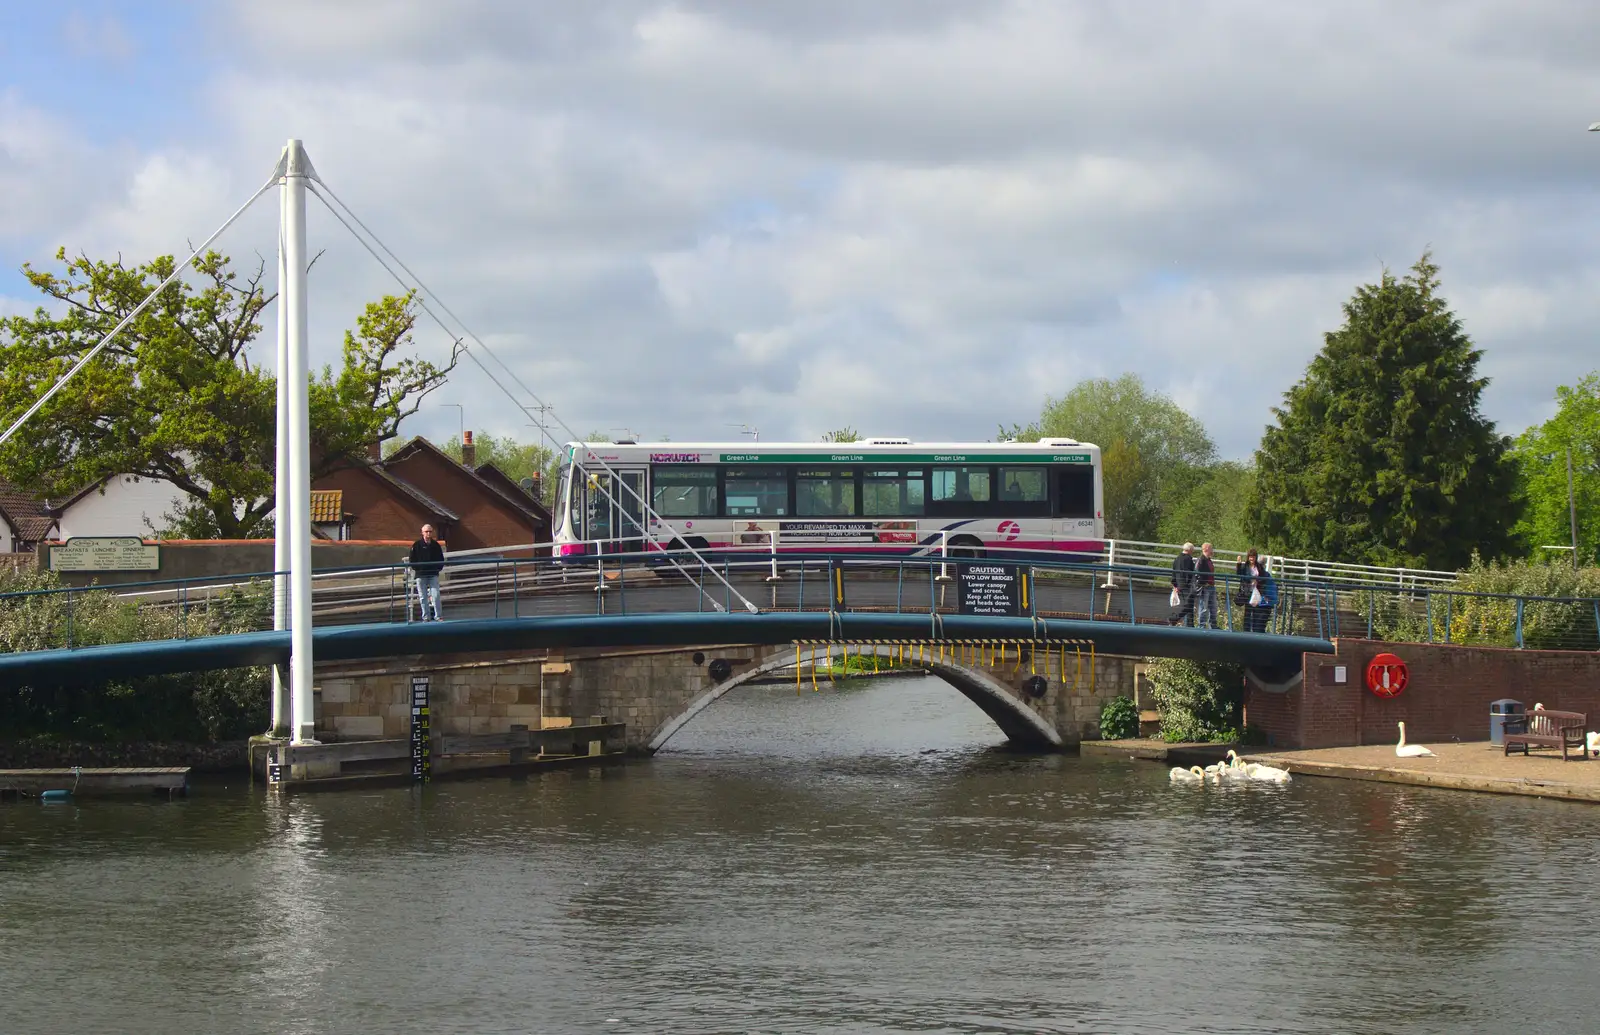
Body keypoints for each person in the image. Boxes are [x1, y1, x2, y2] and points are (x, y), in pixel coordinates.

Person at [409, 524, 446, 621]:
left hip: (433, 574)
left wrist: (437, 569)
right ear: (422, 533)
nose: (428, 533)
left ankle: (438, 616)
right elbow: (412, 560)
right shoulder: (416, 545)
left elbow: (441, 559)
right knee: (423, 597)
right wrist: (418, 569)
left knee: (436, 595)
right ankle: (426, 617)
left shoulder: (435, 545)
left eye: (430, 531)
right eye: (426, 531)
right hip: (421, 575)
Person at [1234, 549, 1271, 633]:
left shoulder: (1259, 567)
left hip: (1256, 592)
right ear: (1248, 557)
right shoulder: (1245, 566)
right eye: (1250, 557)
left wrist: (1257, 580)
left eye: (1253, 557)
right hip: (1247, 592)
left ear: (1255, 557)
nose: (1252, 559)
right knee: (1248, 613)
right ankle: (1246, 631)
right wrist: (1238, 564)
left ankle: (1254, 631)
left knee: (1256, 612)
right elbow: (1239, 574)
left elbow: (1264, 578)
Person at [1169, 542, 1197, 626]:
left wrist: (1175, 585)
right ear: (1190, 550)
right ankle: (1175, 618)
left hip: (1179, 584)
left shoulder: (1177, 559)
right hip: (1187, 584)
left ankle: (1190, 624)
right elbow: (1189, 572)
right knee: (1189, 604)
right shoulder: (1188, 559)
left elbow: (1174, 572)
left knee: (1189, 604)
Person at [1195, 542, 1218, 629]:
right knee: (1203, 607)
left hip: (1211, 586)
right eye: (1211, 548)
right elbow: (1197, 572)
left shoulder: (1208, 560)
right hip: (1205, 587)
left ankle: (1213, 625)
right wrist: (1203, 582)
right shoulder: (1201, 559)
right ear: (1207, 549)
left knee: (1213, 607)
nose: (1212, 550)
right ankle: (1202, 626)